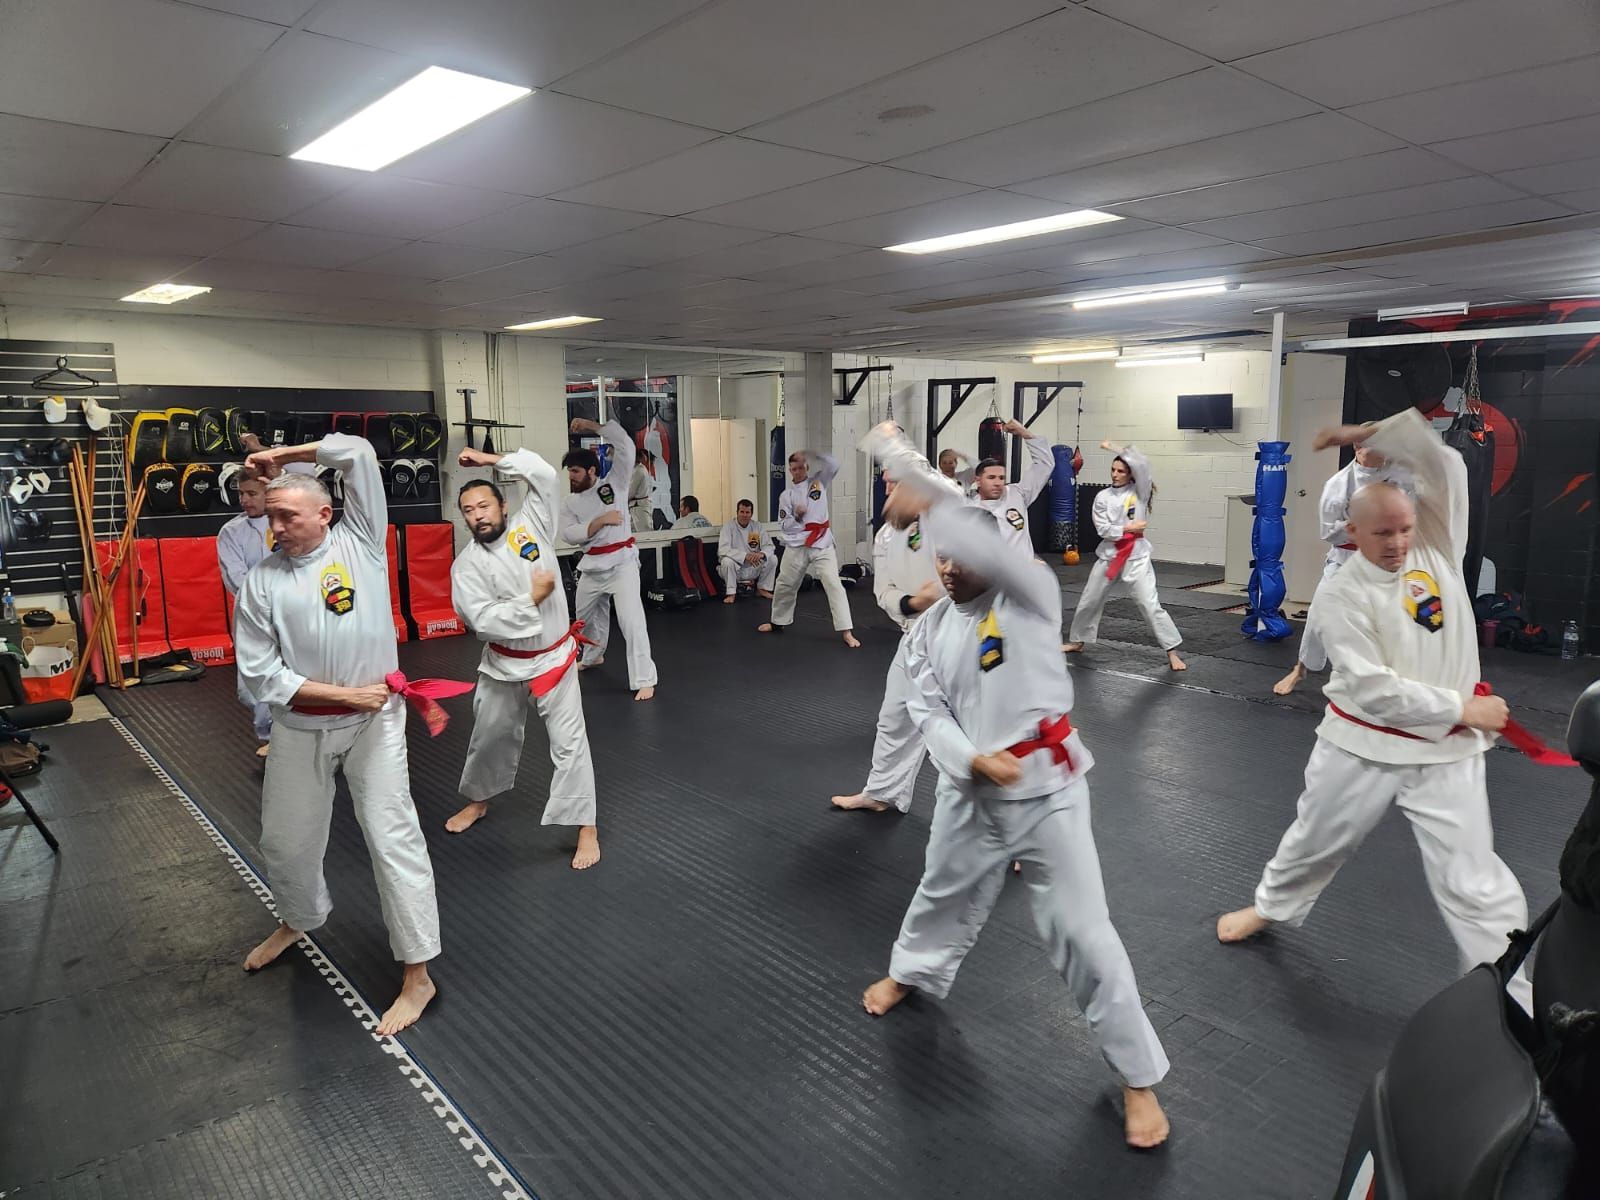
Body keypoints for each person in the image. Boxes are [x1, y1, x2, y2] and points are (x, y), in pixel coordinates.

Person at [857, 425, 1170, 1148]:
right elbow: (926, 709)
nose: (953, 567)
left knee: (1082, 936)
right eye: (943, 558)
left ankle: (1138, 1080)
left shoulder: (1027, 596)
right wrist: (970, 760)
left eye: (963, 553)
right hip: (972, 792)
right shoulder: (930, 628)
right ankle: (911, 972)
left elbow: (984, 543)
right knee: (940, 889)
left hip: (1048, 793)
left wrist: (903, 467)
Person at [1217, 409, 1534, 1015]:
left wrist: (1374, 437)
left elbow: (1448, 465)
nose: (1396, 543)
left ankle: (1509, 993)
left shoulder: (1438, 550)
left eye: (1403, 529)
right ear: (1352, 536)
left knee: (1474, 876)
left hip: (1446, 749)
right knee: (1314, 840)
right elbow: (1371, 688)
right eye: (1381, 533)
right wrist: (1462, 705)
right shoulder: (1341, 594)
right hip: (1362, 745)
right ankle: (1270, 907)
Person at [233, 433, 440, 1036]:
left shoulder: (360, 545)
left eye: (286, 515)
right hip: (300, 728)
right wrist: (342, 693)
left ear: (325, 513)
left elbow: (357, 453)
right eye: (269, 516)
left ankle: (418, 973)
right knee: (285, 841)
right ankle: (299, 918)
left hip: (375, 725)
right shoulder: (262, 581)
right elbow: (260, 673)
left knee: (391, 837)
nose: (275, 527)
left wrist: (283, 458)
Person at [448, 447, 600, 869]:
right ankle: (478, 801)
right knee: (489, 736)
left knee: (570, 744)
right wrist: (529, 601)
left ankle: (585, 825)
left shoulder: (531, 524)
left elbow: (544, 473)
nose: (476, 515)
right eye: (467, 510)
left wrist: (486, 458)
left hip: (555, 660)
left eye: (483, 505)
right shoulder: (466, 566)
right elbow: (480, 620)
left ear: (503, 505)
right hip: (502, 663)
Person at [830, 472, 949, 813]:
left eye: (896, 484)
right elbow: (884, 591)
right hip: (914, 635)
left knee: (977, 732)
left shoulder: (946, 521)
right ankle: (882, 793)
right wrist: (913, 603)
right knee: (894, 716)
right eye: (885, 484)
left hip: (960, 636)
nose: (889, 491)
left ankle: (1019, 834)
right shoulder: (884, 537)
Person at [1274, 440, 1414, 695]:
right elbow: (1328, 533)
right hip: (1345, 561)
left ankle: (1395, 678)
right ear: (1358, 448)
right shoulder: (1339, 484)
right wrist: (1362, 524)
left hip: (1388, 562)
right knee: (1318, 616)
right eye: (1376, 448)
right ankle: (1300, 670)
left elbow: (1411, 516)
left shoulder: (1400, 476)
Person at [1062, 441, 1186, 672]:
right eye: (1113, 470)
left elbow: (1143, 464)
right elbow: (1102, 529)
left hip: (1136, 556)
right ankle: (1077, 641)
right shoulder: (1102, 497)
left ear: (1131, 474)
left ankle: (1172, 651)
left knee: (1148, 603)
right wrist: (1129, 529)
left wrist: (1117, 448)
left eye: (1121, 471)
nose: (1115, 474)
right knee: (1090, 598)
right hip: (1109, 554)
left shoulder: (1140, 491)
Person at [561, 418, 658, 701]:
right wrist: (598, 523)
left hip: (622, 564)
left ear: (592, 470)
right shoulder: (570, 503)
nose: (571, 477)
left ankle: (644, 678)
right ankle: (593, 655)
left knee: (631, 621)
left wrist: (593, 426)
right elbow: (568, 534)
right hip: (592, 566)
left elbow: (626, 444)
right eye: (569, 472)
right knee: (585, 618)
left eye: (576, 471)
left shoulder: (614, 484)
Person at [758, 449, 860, 649]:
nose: (798, 471)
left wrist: (811, 453)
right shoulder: (786, 496)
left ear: (807, 467)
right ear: (790, 470)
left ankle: (846, 631)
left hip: (822, 542)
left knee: (833, 583)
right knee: (785, 584)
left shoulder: (819, 482)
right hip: (797, 544)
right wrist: (797, 516)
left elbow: (834, 463)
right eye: (794, 469)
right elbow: (784, 525)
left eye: (801, 467)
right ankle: (777, 622)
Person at [217, 469, 275, 758]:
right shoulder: (230, 532)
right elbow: (235, 577)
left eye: (252, 493)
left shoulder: (283, 524)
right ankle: (272, 731)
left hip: (289, 613)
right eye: (241, 493)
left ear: (269, 493)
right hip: (251, 613)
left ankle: (278, 738)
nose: (244, 500)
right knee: (249, 688)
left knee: (294, 674)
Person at [971, 419, 1054, 554]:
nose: (998, 483)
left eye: (1002, 478)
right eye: (991, 478)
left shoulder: (1017, 494)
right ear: (978, 480)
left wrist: (1024, 433)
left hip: (1023, 572)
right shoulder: (970, 508)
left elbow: (1044, 465)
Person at [716, 498, 776, 604]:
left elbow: (770, 546)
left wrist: (761, 554)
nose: (744, 515)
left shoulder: (757, 526)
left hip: (753, 566)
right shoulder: (728, 527)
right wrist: (745, 556)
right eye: (742, 512)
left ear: (751, 514)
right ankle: (731, 593)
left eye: (747, 512)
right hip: (736, 568)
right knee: (726, 561)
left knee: (772, 558)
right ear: (737, 512)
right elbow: (723, 549)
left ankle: (762, 588)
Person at [628, 447, 655, 533]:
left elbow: (630, 492)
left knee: (645, 535)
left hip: (639, 507)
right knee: (634, 534)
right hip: (635, 507)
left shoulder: (639, 471)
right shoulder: (636, 469)